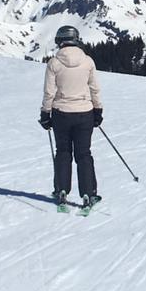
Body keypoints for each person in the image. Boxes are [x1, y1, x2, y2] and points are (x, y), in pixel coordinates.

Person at [39, 25, 103, 205]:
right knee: (84, 154)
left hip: (61, 114)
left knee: (63, 153)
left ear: (60, 41)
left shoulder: (54, 63)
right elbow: (94, 89)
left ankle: (61, 190)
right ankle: (89, 193)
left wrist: (45, 113)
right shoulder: (88, 61)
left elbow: (49, 92)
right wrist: (98, 110)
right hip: (85, 113)